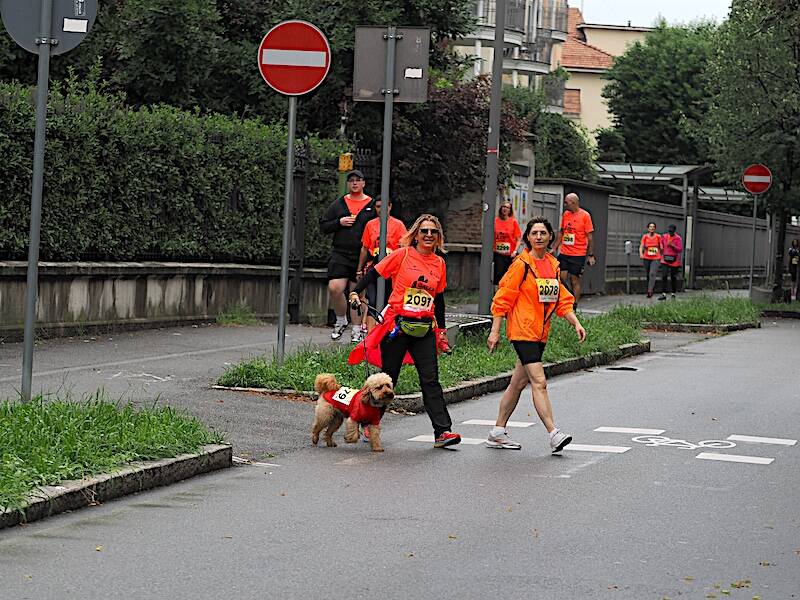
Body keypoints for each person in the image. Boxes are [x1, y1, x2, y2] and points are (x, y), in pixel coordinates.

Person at [348, 214, 461, 449]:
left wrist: (440, 331)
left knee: (430, 380)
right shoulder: (403, 254)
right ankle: (366, 419)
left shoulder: (439, 263)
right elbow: (374, 273)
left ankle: (442, 432)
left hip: (424, 328)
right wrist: (356, 292)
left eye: (433, 232)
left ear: (438, 237)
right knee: (388, 377)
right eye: (424, 231)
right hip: (397, 326)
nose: (429, 235)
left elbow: (438, 300)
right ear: (416, 234)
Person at [486, 216, 586, 453]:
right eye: (534, 233)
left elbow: (561, 299)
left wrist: (575, 322)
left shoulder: (553, 265)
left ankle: (497, 432)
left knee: (518, 382)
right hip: (522, 330)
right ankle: (554, 433)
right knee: (539, 382)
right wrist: (495, 331)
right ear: (527, 238)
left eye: (543, 233)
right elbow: (503, 297)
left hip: (540, 333)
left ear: (551, 236)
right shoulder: (522, 264)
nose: (539, 237)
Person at [319, 169, 376, 342]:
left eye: (358, 180)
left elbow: (380, 225)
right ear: (348, 184)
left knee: (357, 293)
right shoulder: (339, 204)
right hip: (340, 252)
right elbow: (324, 225)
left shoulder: (371, 205)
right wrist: (339, 222)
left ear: (364, 183)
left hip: (362, 255)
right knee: (335, 287)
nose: (354, 183)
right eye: (351, 180)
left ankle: (357, 329)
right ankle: (341, 320)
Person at [355, 196, 408, 331]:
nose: (381, 210)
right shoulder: (370, 224)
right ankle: (370, 336)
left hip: (392, 270)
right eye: (378, 207)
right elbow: (365, 248)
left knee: (388, 302)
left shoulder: (398, 225)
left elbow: (404, 247)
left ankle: (386, 331)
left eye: (384, 207)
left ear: (390, 207)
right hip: (374, 266)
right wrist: (359, 270)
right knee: (372, 300)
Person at [551, 193, 595, 310]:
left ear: (574, 203)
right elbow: (562, 233)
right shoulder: (566, 214)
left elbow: (590, 237)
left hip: (578, 254)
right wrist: (554, 248)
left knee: (574, 280)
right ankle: (566, 299)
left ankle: (574, 305)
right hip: (565, 252)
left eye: (567, 202)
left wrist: (590, 255)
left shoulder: (585, 216)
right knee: (560, 277)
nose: (565, 205)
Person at [493, 201, 522, 285]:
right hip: (498, 253)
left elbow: (518, 238)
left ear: (510, 210)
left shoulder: (513, 222)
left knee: (510, 277)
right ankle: (497, 295)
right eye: (503, 207)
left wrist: (515, 251)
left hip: (510, 255)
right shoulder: (495, 221)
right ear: (500, 208)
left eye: (507, 207)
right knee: (498, 276)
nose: (505, 209)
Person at [658, 224, 683, 300]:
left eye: (671, 231)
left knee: (673, 277)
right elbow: (660, 244)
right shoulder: (664, 237)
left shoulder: (678, 238)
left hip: (674, 260)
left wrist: (672, 245)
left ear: (674, 231)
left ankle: (673, 293)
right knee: (664, 276)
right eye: (669, 231)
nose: (670, 233)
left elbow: (680, 249)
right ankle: (663, 294)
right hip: (665, 259)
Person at [639, 221, 662, 298]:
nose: (652, 228)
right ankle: (650, 287)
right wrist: (641, 254)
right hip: (646, 257)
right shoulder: (645, 237)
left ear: (655, 229)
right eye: (650, 227)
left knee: (652, 273)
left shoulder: (658, 236)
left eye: (653, 227)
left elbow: (661, 246)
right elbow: (641, 246)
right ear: (648, 228)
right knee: (648, 274)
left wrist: (661, 253)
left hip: (655, 258)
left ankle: (650, 291)